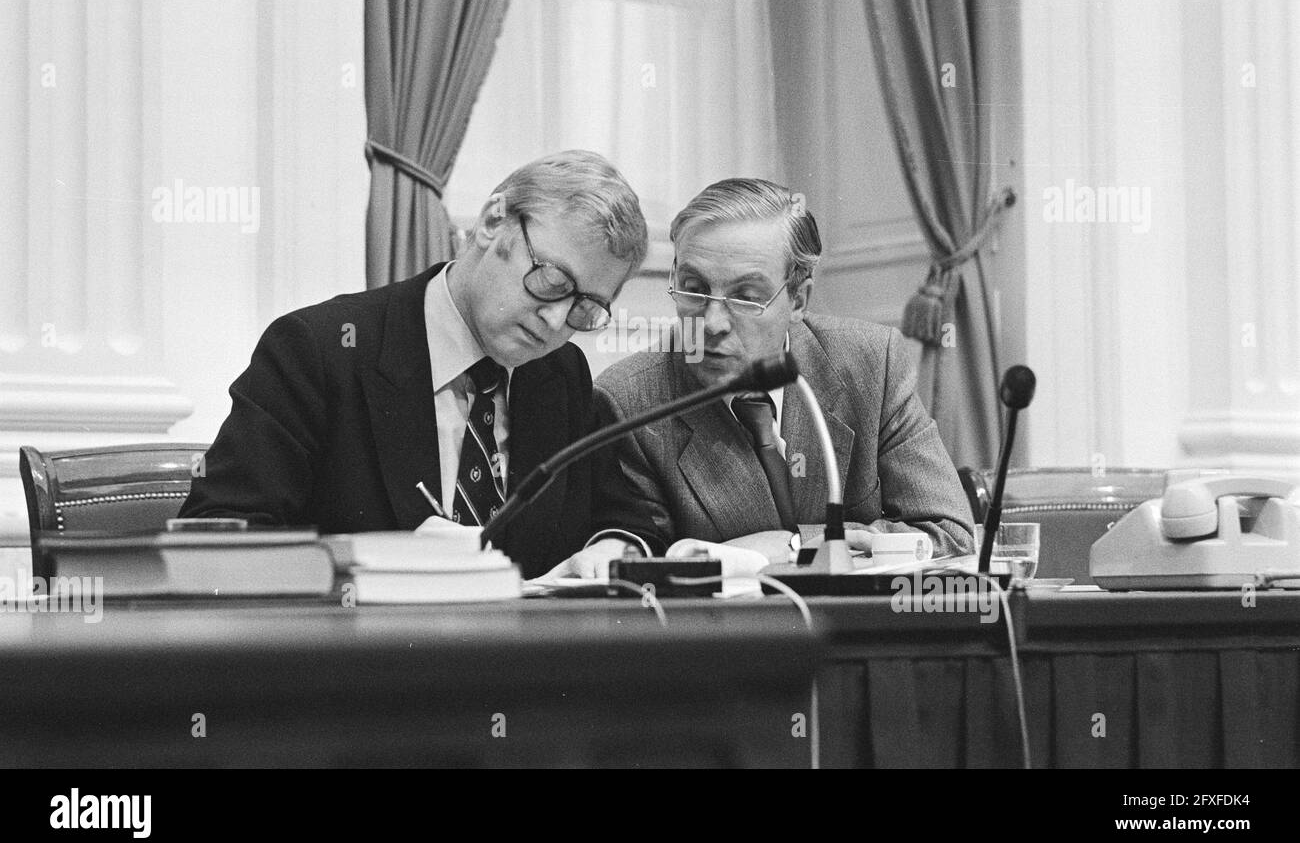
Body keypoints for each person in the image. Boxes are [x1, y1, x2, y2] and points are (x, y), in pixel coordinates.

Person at [179, 150, 648, 579]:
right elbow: (217, 537)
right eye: (550, 280)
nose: (555, 319)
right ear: (492, 222)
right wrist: (377, 562)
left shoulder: (561, 373)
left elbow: (624, 522)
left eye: (585, 308)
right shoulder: (318, 351)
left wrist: (612, 549)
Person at [585, 177, 973, 569]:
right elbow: (647, 568)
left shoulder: (872, 364)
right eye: (694, 288)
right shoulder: (628, 401)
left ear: (798, 299)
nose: (712, 323)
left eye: (745, 297)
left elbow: (949, 534)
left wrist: (792, 546)